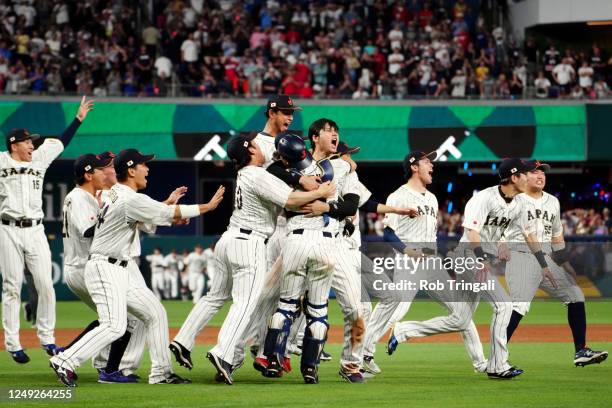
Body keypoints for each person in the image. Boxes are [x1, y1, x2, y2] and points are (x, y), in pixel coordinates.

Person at [49, 149, 225, 387]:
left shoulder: (113, 195)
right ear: (131, 170)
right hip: (104, 266)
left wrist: (168, 214)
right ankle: (65, 360)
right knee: (114, 325)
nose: (148, 169)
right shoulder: (124, 197)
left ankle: (161, 372)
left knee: (154, 313)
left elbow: (143, 216)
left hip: (117, 267)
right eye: (144, 165)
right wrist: (206, 207)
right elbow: (157, 212)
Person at [170, 133, 335, 385]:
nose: (262, 149)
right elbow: (290, 200)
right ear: (249, 152)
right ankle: (222, 354)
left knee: (214, 297)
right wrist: (320, 191)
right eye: (257, 146)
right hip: (249, 242)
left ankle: (182, 340)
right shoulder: (257, 174)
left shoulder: (246, 174)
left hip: (228, 239)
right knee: (246, 303)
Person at [387, 158, 544, 379]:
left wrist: (535, 260)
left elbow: (525, 234)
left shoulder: (520, 203)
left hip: (479, 258)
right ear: (514, 176)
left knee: (460, 319)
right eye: (528, 173)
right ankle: (498, 366)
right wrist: (482, 259)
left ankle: (404, 330)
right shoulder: (483, 199)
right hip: (469, 257)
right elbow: (472, 233)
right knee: (504, 306)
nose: (532, 177)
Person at [361, 151, 488, 376]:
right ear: (414, 166)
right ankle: (363, 353)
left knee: (462, 313)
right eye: (427, 161)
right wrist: (407, 250)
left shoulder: (432, 198)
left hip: (432, 263)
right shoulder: (399, 195)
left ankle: (481, 363)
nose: (432, 165)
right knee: (397, 306)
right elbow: (388, 233)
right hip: (409, 263)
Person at [1, 96, 93, 364]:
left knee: (45, 285)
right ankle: (13, 343)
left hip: (35, 229)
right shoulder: (1, 161)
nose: (33, 145)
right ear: (14, 145)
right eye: (28, 141)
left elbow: (62, 141)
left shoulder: (39, 158)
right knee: (10, 287)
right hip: (7, 228)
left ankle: (47, 338)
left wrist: (77, 119)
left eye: (33, 141)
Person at [503, 161, 608, 367]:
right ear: (524, 176)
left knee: (575, 295)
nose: (541, 175)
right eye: (535, 172)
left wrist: (565, 262)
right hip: (522, 257)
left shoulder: (553, 202)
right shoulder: (515, 200)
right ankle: (497, 355)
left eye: (543, 172)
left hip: (547, 260)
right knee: (520, 306)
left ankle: (581, 351)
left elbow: (557, 235)